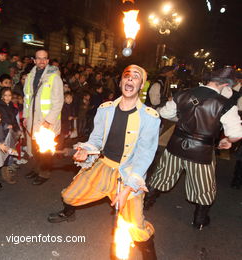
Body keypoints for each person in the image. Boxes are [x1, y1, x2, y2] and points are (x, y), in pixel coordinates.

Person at [48, 65, 160, 260]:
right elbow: (96, 140)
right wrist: (86, 150)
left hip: (129, 175)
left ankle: (150, 254)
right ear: (120, 82)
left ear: (141, 85)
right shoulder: (105, 109)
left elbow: (145, 157)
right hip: (104, 166)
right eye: (127, 76)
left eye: (136, 77)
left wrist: (127, 189)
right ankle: (69, 212)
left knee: (136, 228)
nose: (130, 80)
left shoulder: (149, 118)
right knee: (69, 196)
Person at [145, 66, 242, 230]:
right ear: (226, 85)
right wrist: (228, 141)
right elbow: (236, 133)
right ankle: (199, 220)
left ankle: (143, 205)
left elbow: (165, 114)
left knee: (161, 177)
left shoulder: (183, 94)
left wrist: (184, 118)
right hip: (201, 152)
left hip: (175, 146)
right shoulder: (225, 105)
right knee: (204, 187)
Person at [23, 49, 64, 185]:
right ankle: (36, 169)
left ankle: (44, 174)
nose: (41, 61)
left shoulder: (54, 77)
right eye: (38, 58)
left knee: (45, 151)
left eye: (44, 58)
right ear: (34, 60)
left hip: (47, 123)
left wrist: (48, 121)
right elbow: (27, 99)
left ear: (47, 61)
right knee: (35, 150)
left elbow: (59, 102)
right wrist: (25, 116)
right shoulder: (30, 76)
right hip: (33, 121)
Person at [0, 87, 20, 184]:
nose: (8, 97)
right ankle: (5, 174)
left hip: (10, 131)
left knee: (10, 151)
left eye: (9, 95)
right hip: (4, 132)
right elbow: (2, 119)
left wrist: (17, 129)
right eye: (5, 95)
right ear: (2, 96)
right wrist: (7, 126)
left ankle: (7, 169)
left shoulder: (9, 105)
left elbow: (13, 119)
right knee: (5, 152)